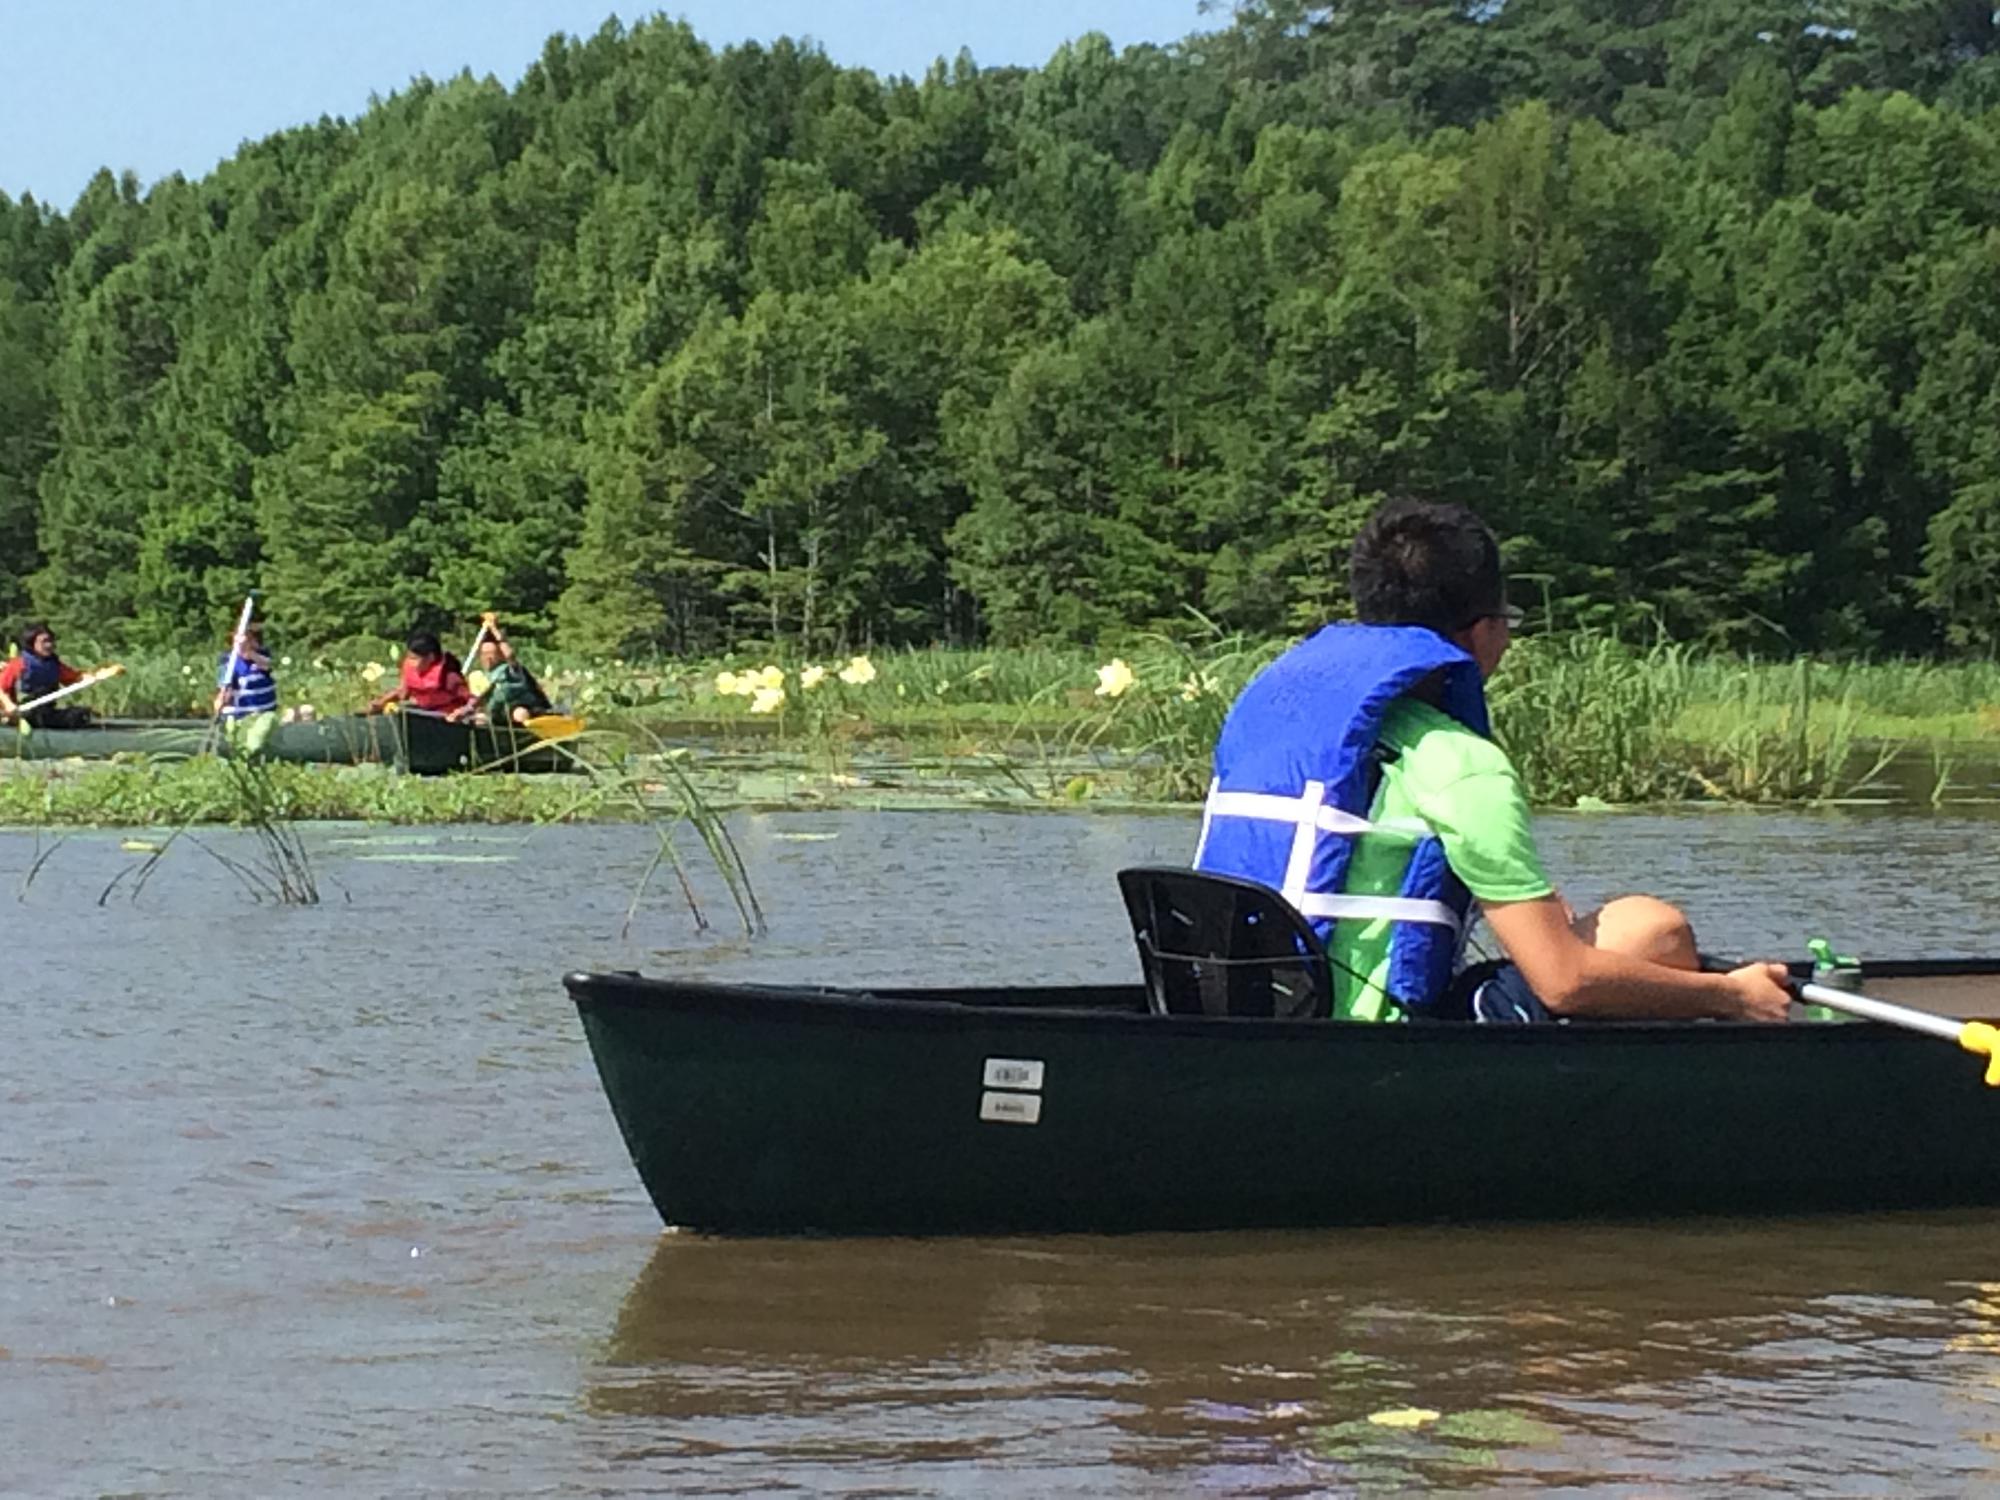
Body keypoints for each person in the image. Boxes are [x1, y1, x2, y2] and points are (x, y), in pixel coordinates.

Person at [1194, 497, 1792, 1025]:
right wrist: (1728, 996)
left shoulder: (1273, 727)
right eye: (1508, 621)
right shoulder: (1458, 763)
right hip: (1381, 1033)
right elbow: (1564, 984)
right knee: (1650, 929)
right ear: (1482, 631)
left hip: (1258, 1010)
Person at [0, 623, 90, 729]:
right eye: (44, 641)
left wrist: (91, 676)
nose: (49, 645)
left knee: (80, 715)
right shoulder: (18, 665)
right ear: (32, 643)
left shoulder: (55, 665)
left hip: (45, 712)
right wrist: (8, 705)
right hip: (19, 713)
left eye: (50, 641)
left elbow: (74, 678)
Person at [369, 629, 474, 719]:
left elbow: (471, 700)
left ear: (430, 657)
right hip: (424, 714)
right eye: (409, 658)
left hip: (447, 718)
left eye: (415, 659)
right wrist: (381, 702)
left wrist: (464, 711)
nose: (411, 663)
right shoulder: (410, 667)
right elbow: (402, 692)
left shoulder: (449, 676)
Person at [467, 619, 551, 726]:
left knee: (519, 714)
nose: (488, 658)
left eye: (492, 653)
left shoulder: (509, 669)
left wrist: (493, 629)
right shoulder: (478, 677)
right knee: (479, 719)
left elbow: (509, 655)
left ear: (500, 655)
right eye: (485, 654)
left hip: (519, 709)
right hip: (496, 713)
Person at [213, 620, 279, 723]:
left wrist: (248, 652)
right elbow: (224, 688)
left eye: (250, 641)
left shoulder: (262, 655)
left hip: (264, 714)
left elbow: (266, 665)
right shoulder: (228, 662)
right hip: (239, 717)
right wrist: (222, 697)